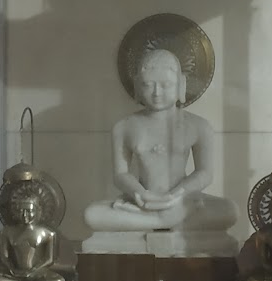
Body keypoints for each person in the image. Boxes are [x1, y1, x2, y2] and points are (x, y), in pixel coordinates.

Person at [84, 48, 236, 234]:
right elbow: (121, 175)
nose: (156, 93)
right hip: (141, 202)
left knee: (230, 211)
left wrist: (177, 194)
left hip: (184, 201)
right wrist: (141, 194)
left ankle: (156, 221)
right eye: (148, 85)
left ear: (181, 85)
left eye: (165, 85)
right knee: (92, 214)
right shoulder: (124, 126)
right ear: (138, 86)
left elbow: (205, 173)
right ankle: (164, 221)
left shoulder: (198, 126)